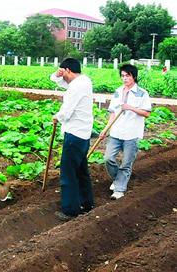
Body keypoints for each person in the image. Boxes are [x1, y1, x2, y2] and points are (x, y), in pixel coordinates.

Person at [50, 58, 95, 221]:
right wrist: (57, 74)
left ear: (68, 70)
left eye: (63, 72)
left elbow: (66, 112)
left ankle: (70, 210)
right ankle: (86, 203)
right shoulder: (84, 81)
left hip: (74, 135)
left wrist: (57, 117)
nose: (62, 77)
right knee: (81, 171)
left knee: (68, 174)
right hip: (83, 135)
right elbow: (57, 82)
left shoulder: (76, 87)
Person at [100, 64, 151, 200]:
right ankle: (118, 180)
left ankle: (119, 190)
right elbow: (112, 114)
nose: (124, 78)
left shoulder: (142, 93)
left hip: (131, 134)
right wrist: (105, 129)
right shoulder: (117, 92)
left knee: (126, 163)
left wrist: (131, 108)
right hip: (116, 132)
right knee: (108, 159)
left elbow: (146, 113)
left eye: (127, 75)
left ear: (134, 76)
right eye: (122, 76)